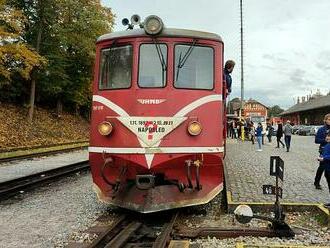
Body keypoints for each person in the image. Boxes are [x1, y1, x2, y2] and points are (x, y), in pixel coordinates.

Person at [314, 113, 330, 190]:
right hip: (324, 150)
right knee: (322, 167)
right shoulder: (321, 129)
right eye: (329, 119)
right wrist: (325, 140)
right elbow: (316, 140)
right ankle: (316, 182)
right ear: (325, 120)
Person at [317, 132, 330, 207]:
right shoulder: (327, 145)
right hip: (327, 169)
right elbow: (324, 153)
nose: (327, 137)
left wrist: (324, 158)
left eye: (329, 136)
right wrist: (321, 156)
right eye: (327, 136)